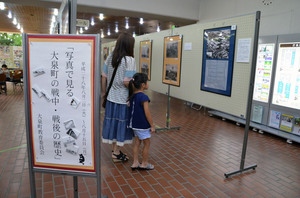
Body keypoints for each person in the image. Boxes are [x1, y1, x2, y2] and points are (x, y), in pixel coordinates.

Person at [101, 32, 136, 162]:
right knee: (120, 124)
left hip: (111, 98)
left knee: (112, 123)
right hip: (122, 99)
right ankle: (116, 152)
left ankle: (115, 151)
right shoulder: (130, 60)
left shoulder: (110, 57)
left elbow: (103, 78)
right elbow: (127, 82)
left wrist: (105, 93)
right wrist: (137, 91)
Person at [128, 73, 155, 170]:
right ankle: (144, 163)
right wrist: (152, 125)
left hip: (134, 125)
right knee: (147, 143)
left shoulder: (132, 96)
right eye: (147, 82)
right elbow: (147, 113)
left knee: (137, 142)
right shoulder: (143, 97)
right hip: (142, 125)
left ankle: (135, 162)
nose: (148, 84)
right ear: (143, 85)